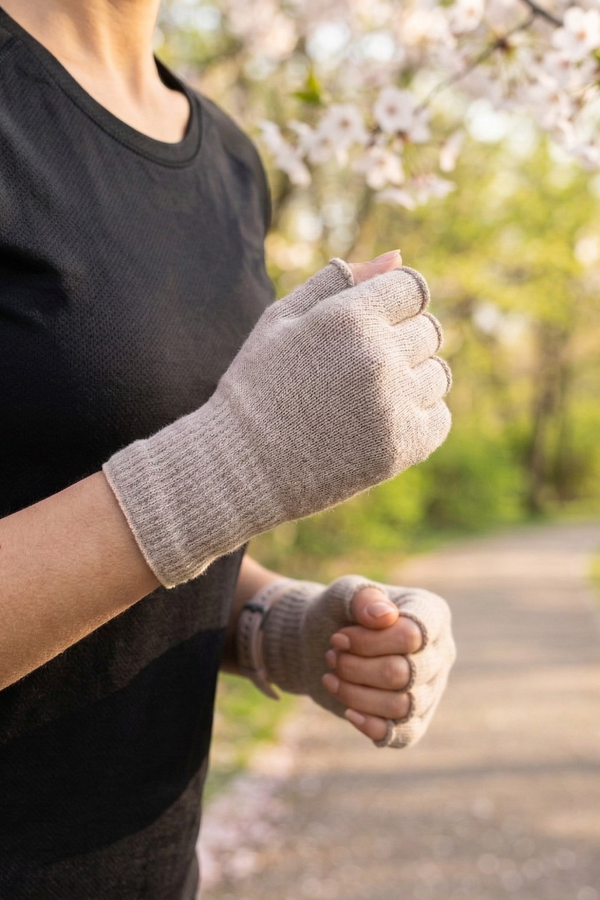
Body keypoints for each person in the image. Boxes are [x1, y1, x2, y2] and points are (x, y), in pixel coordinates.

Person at [0, 1, 456, 897]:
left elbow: (91, 492)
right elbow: (197, 476)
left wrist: (280, 625)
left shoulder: (231, 164)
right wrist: (232, 465)